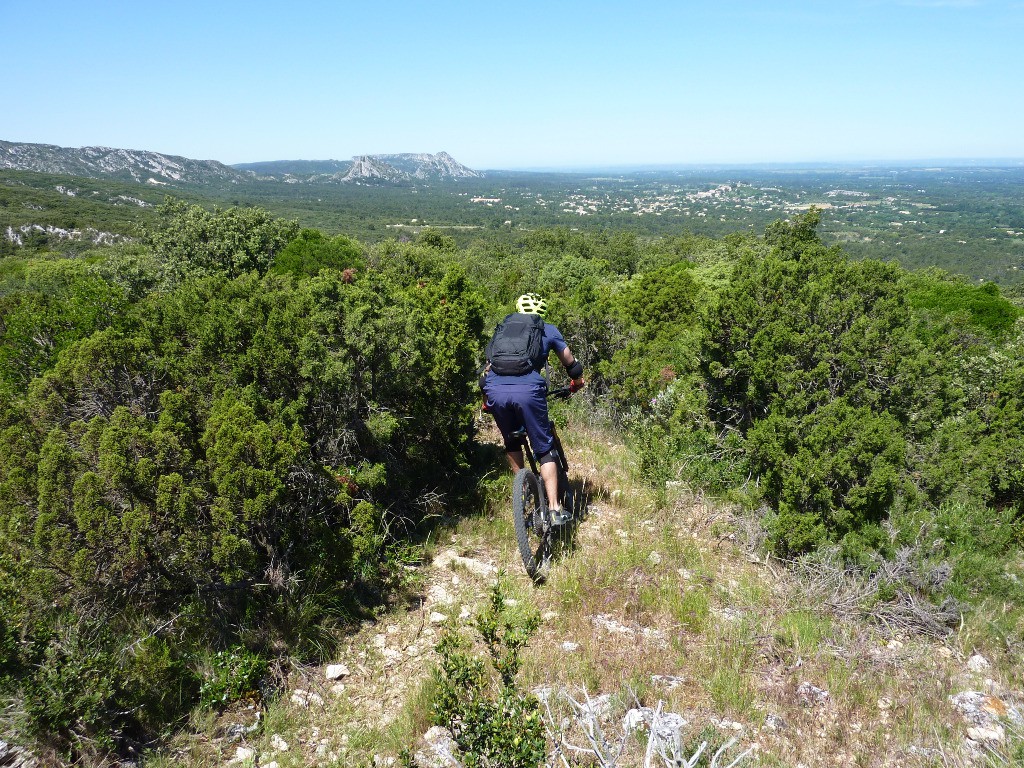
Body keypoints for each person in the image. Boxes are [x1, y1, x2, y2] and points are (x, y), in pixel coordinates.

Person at [482, 293, 585, 525]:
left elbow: (487, 369)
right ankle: (554, 508)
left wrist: (486, 398)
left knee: (511, 441)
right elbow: (571, 363)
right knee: (544, 448)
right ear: (542, 313)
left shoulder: (504, 329)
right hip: (528, 392)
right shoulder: (548, 329)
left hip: (495, 391)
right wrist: (577, 383)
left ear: (518, 309)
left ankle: (525, 489)